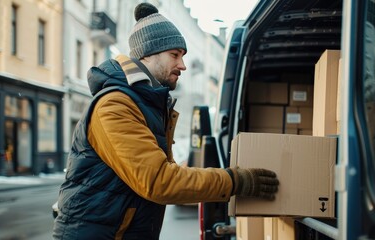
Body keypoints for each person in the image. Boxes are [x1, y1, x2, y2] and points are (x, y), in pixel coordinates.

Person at [53, 3, 279, 240]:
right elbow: (159, 181)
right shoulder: (116, 106)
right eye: (174, 55)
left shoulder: (146, 102)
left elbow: (150, 172)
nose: (182, 65)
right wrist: (236, 181)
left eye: (182, 56)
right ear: (147, 54)